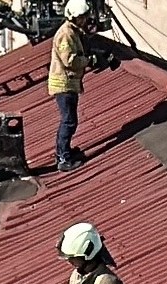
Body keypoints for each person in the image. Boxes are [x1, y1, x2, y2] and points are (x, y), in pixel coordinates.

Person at [48, 0, 95, 172]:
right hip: (64, 84)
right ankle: (63, 158)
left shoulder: (73, 32)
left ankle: (65, 151)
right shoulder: (66, 35)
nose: (85, 20)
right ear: (74, 17)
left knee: (70, 120)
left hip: (69, 83)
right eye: (82, 17)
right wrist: (89, 61)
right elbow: (70, 60)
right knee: (69, 121)